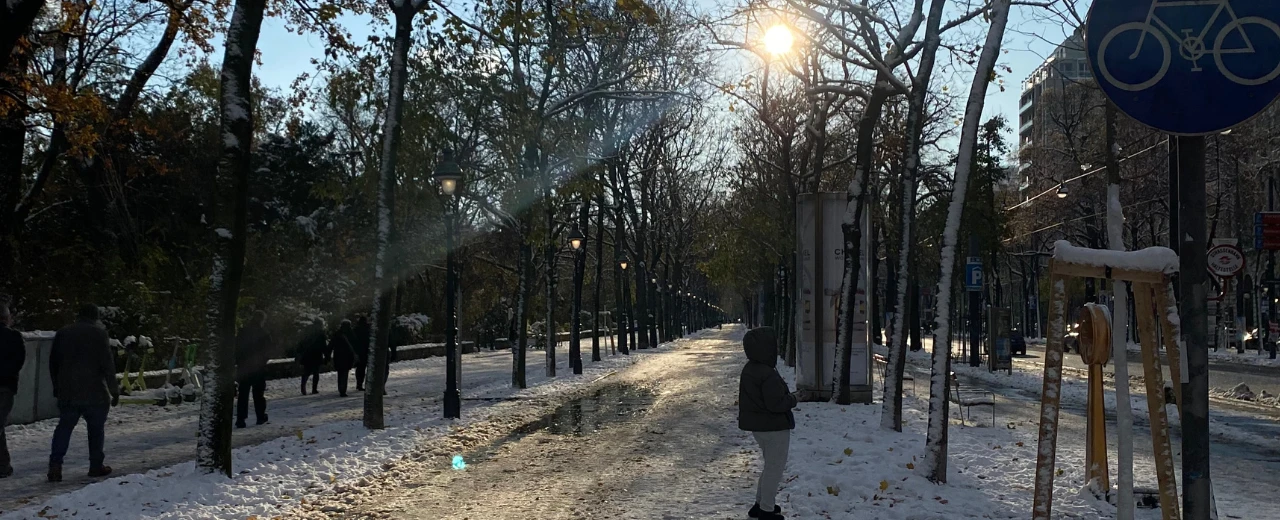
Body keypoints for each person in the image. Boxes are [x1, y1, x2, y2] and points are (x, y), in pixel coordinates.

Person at [48, 304, 118, 482]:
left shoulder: (63, 333)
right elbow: (107, 364)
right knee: (96, 430)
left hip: (68, 391)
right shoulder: (99, 334)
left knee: (64, 428)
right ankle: (95, 465)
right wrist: (114, 390)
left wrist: (57, 387)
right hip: (94, 391)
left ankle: (55, 465)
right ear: (95, 317)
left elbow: (53, 363)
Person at [738, 327, 795, 520]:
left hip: (759, 427)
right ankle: (766, 510)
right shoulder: (767, 373)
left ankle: (760, 503)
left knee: (769, 466)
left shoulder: (750, 369)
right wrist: (793, 399)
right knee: (774, 468)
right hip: (774, 426)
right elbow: (776, 404)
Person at [0, 300, 25, 478]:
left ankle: (3, 464)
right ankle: (3, 465)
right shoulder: (14, 337)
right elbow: (19, 361)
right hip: (5, 386)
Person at [235, 310, 272, 428]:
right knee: (258, 393)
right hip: (258, 368)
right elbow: (268, 351)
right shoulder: (264, 333)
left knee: (243, 394)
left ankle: (241, 419)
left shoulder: (243, 332)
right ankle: (260, 416)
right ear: (262, 320)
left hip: (244, 368)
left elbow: (237, 348)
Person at [297, 319, 328, 395]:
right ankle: (314, 389)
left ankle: (303, 387)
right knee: (316, 372)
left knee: (306, 372)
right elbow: (323, 345)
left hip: (307, 354)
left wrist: (299, 353)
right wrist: (326, 354)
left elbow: (301, 343)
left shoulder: (307, 332)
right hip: (316, 354)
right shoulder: (321, 333)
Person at [331, 320, 356, 397]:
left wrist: (327, 354)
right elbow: (355, 343)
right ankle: (343, 389)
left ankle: (341, 389)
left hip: (338, 356)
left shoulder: (337, 334)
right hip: (347, 357)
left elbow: (331, 344)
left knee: (340, 373)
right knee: (345, 373)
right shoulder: (350, 334)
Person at [351, 316, 370, 391]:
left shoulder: (355, 329)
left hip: (358, 351)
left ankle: (359, 383)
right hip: (367, 351)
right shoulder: (368, 329)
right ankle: (365, 384)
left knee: (359, 369)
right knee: (366, 368)